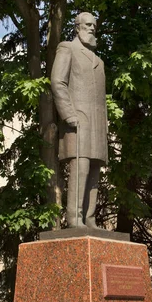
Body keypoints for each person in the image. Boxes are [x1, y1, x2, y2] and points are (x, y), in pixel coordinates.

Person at [51, 12, 108, 228]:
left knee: (95, 170)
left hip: (97, 124)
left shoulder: (99, 62)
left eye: (94, 25)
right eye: (87, 25)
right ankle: (75, 218)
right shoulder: (67, 48)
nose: (92, 28)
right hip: (78, 120)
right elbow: (57, 82)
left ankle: (90, 218)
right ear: (77, 27)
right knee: (80, 167)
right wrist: (68, 113)